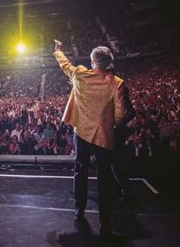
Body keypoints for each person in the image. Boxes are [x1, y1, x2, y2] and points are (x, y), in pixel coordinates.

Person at [53, 39, 127, 236]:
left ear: (93, 62)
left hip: (82, 132)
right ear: (108, 63)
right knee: (104, 179)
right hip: (104, 135)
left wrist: (58, 50)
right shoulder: (117, 83)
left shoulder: (80, 74)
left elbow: (65, 65)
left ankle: (79, 209)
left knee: (80, 170)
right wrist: (110, 124)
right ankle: (105, 221)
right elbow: (121, 114)